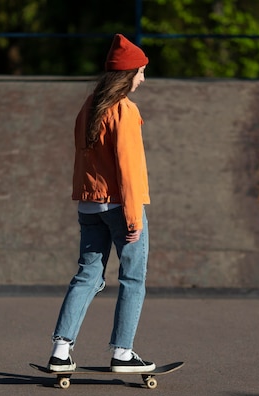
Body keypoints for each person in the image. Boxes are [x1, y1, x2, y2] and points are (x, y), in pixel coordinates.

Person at [48, 34, 155, 373]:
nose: (142, 78)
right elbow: (128, 166)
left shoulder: (90, 106)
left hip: (89, 205)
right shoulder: (124, 110)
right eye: (139, 72)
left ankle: (60, 351)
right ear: (126, 74)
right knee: (132, 278)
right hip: (121, 205)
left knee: (88, 276)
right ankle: (123, 353)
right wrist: (133, 214)